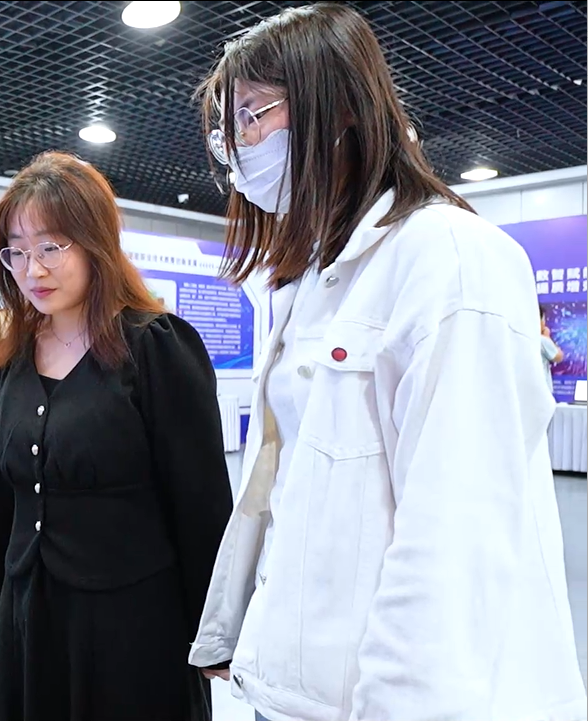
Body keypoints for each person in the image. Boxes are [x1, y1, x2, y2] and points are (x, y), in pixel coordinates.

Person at [189, 5, 587, 721]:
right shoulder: (303, 279)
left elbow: (452, 539)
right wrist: (237, 624)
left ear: (339, 105)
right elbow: (280, 487)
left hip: (385, 697)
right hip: (293, 687)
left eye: (252, 115)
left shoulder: (451, 257)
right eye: (229, 128)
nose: (237, 147)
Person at [0, 151, 232, 721]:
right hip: (30, 618)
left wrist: (216, 628)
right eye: (17, 251)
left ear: (95, 242)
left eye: (51, 247)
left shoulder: (156, 346)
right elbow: (0, 507)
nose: (33, 269)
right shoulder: (6, 365)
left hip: (132, 626)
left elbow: (201, 503)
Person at [541, 305, 565, 395]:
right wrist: (547, 338)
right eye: (543, 319)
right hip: (542, 392)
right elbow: (558, 356)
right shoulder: (542, 340)